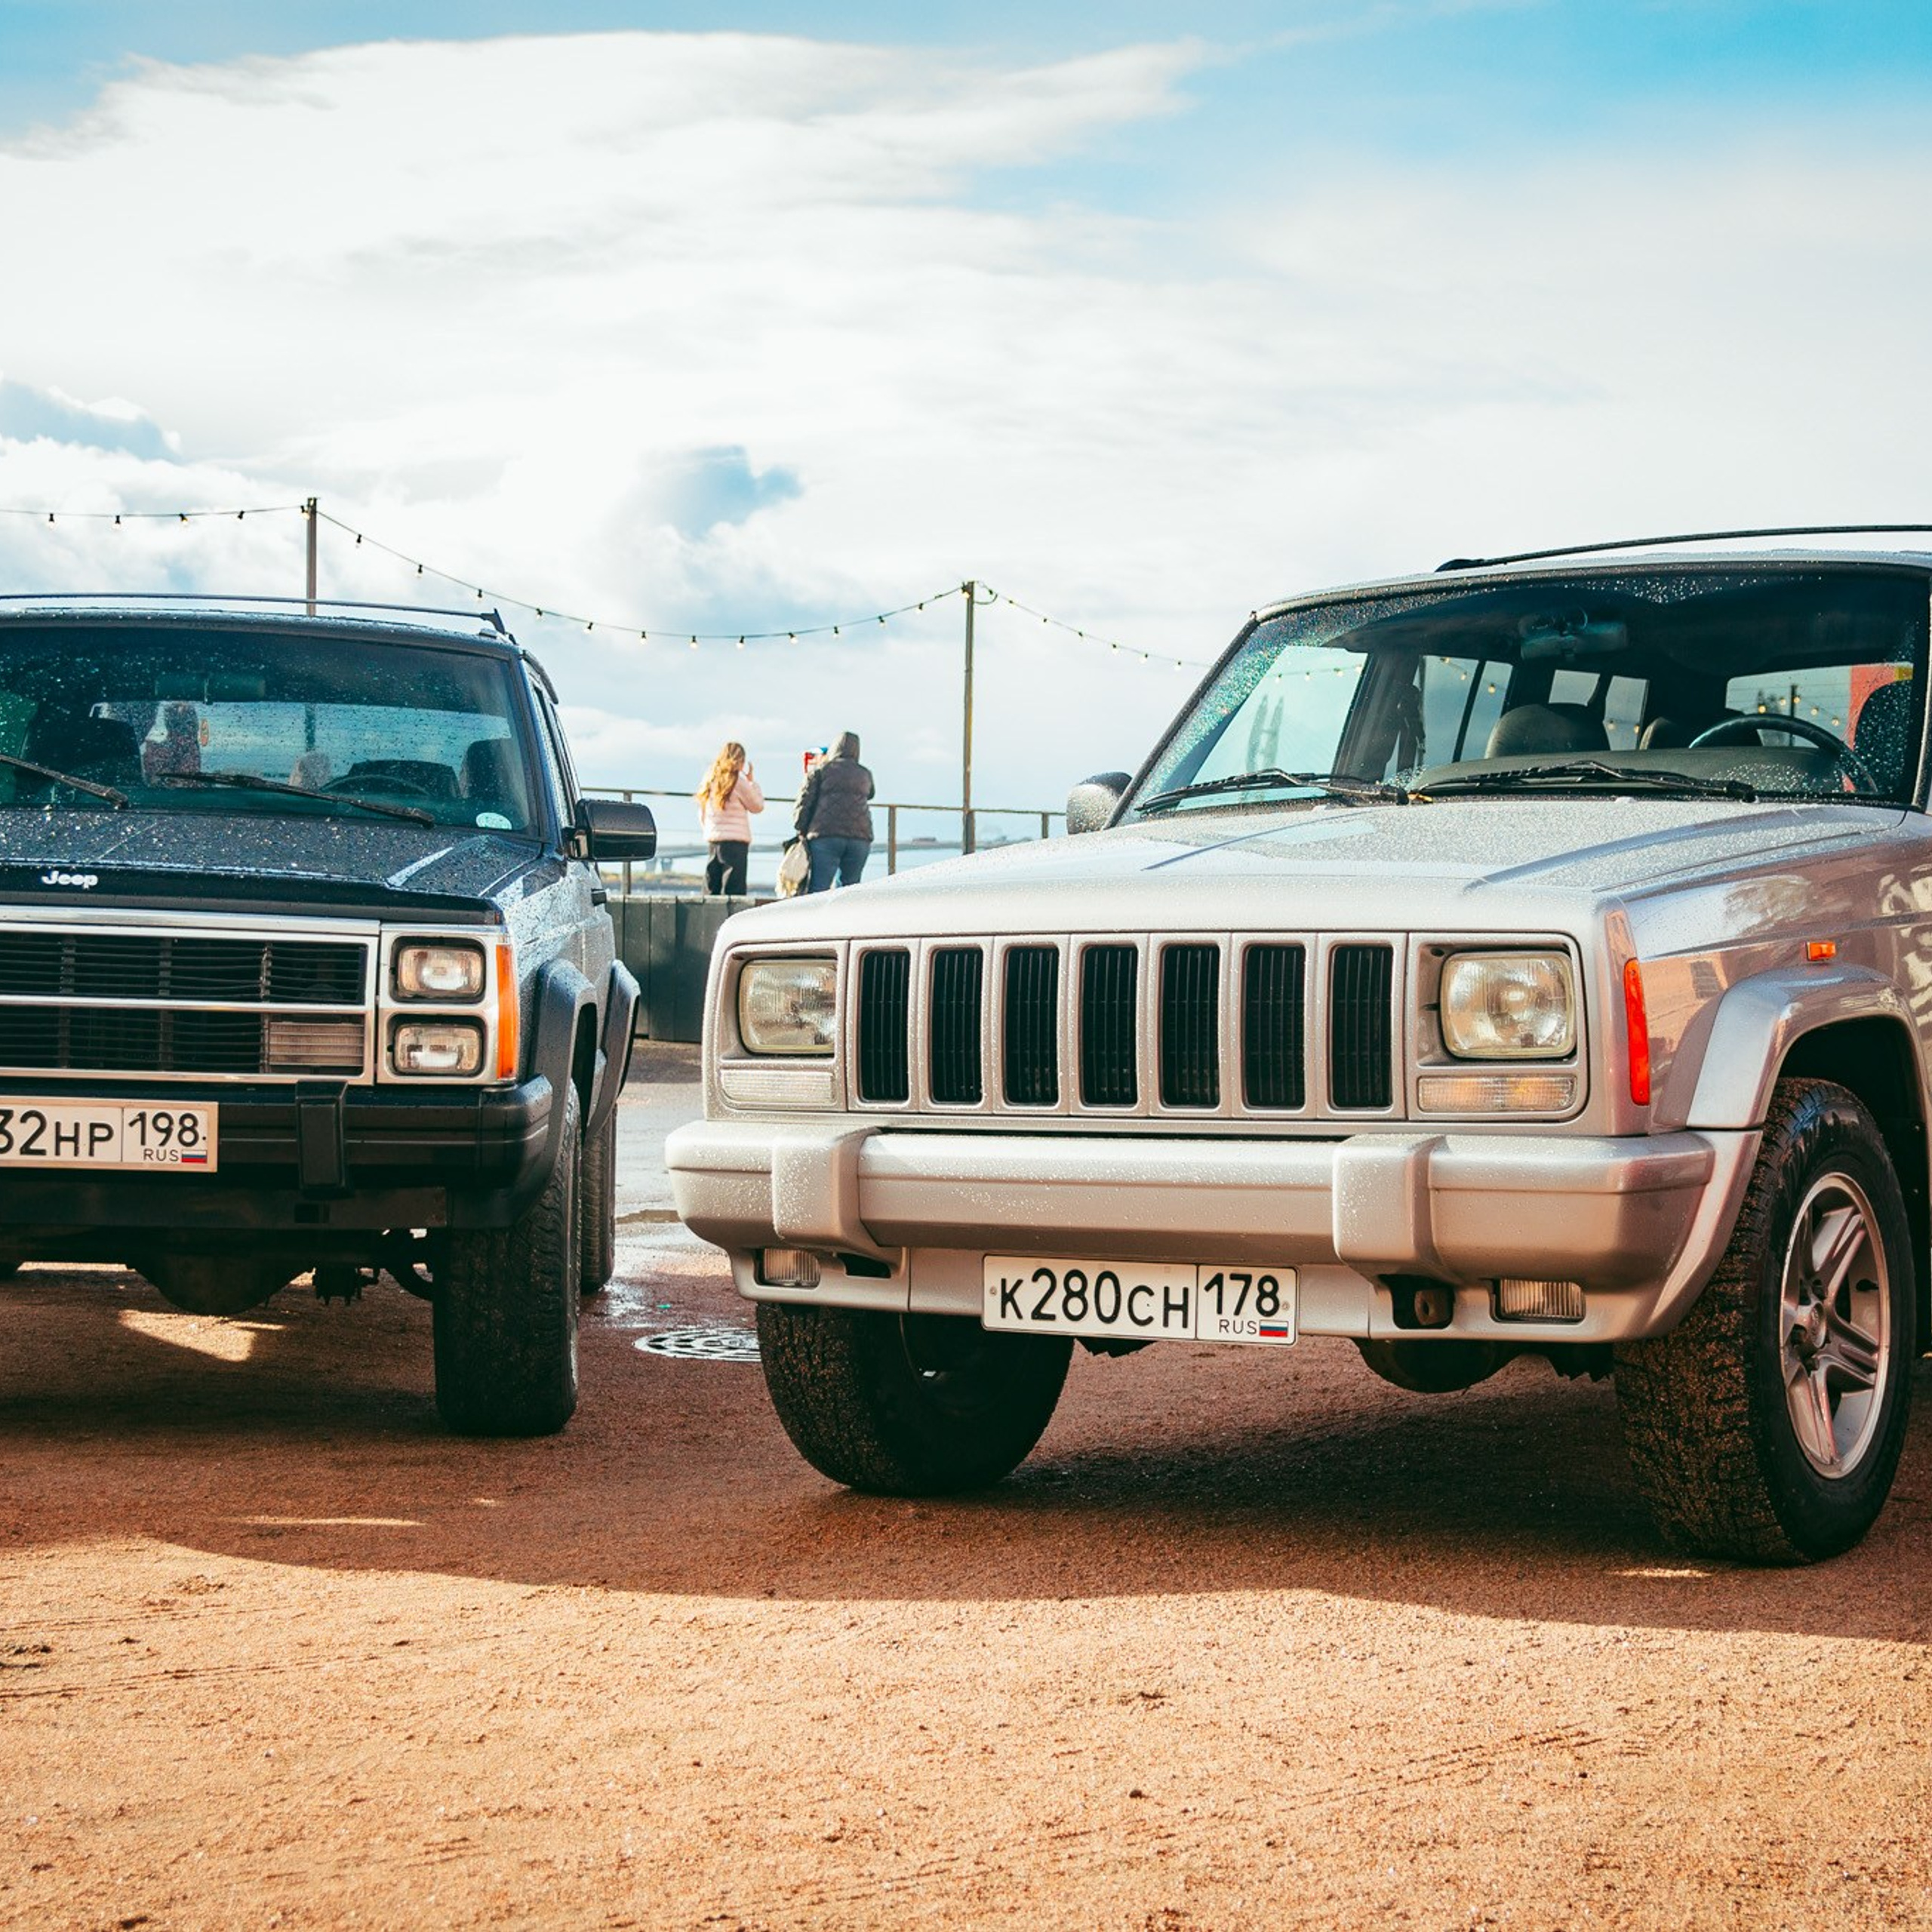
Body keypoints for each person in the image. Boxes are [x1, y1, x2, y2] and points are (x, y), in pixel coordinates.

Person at [794, 730, 874, 892]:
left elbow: (805, 801)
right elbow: (871, 794)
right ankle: (846, 917)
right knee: (850, 890)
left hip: (825, 835)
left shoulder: (820, 771)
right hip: (860, 837)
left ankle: (817, 917)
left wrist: (800, 828)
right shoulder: (865, 774)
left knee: (819, 888)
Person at [695, 740, 764, 895]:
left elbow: (702, 812)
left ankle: (711, 919)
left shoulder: (710, 779)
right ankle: (732, 919)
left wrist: (709, 830)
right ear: (741, 761)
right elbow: (757, 806)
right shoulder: (739, 782)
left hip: (714, 841)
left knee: (711, 889)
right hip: (736, 843)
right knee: (734, 891)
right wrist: (752, 782)